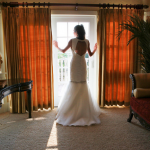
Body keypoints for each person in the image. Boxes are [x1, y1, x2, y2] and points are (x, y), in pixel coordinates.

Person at [53, 24, 100, 126]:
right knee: (82, 84)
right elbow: (90, 54)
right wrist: (95, 49)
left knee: (74, 83)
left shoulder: (72, 41)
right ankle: (83, 111)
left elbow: (64, 51)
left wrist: (57, 46)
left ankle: (71, 111)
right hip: (82, 64)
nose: (73, 32)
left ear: (76, 32)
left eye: (74, 31)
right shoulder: (87, 42)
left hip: (74, 64)